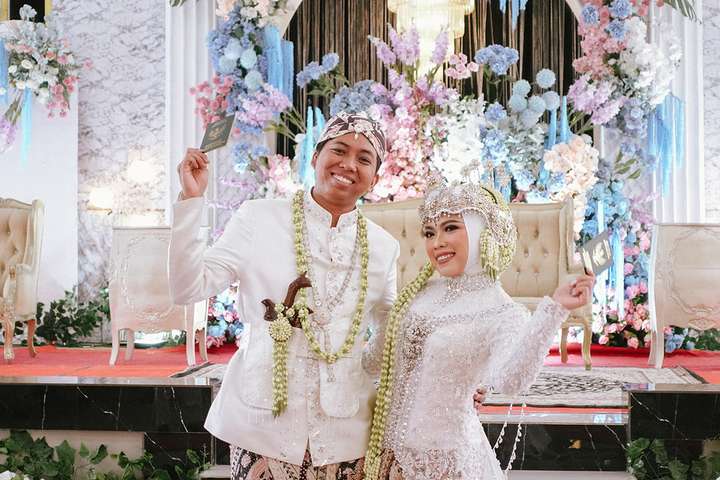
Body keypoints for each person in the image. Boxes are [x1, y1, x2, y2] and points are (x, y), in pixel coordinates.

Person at [363, 180, 596, 480]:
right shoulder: (418, 294)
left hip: (446, 465)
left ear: (482, 231)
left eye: (450, 228)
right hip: (384, 459)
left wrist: (554, 310)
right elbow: (371, 362)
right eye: (430, 233)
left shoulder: (503, 312)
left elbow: (511, 380)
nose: (437, 243)